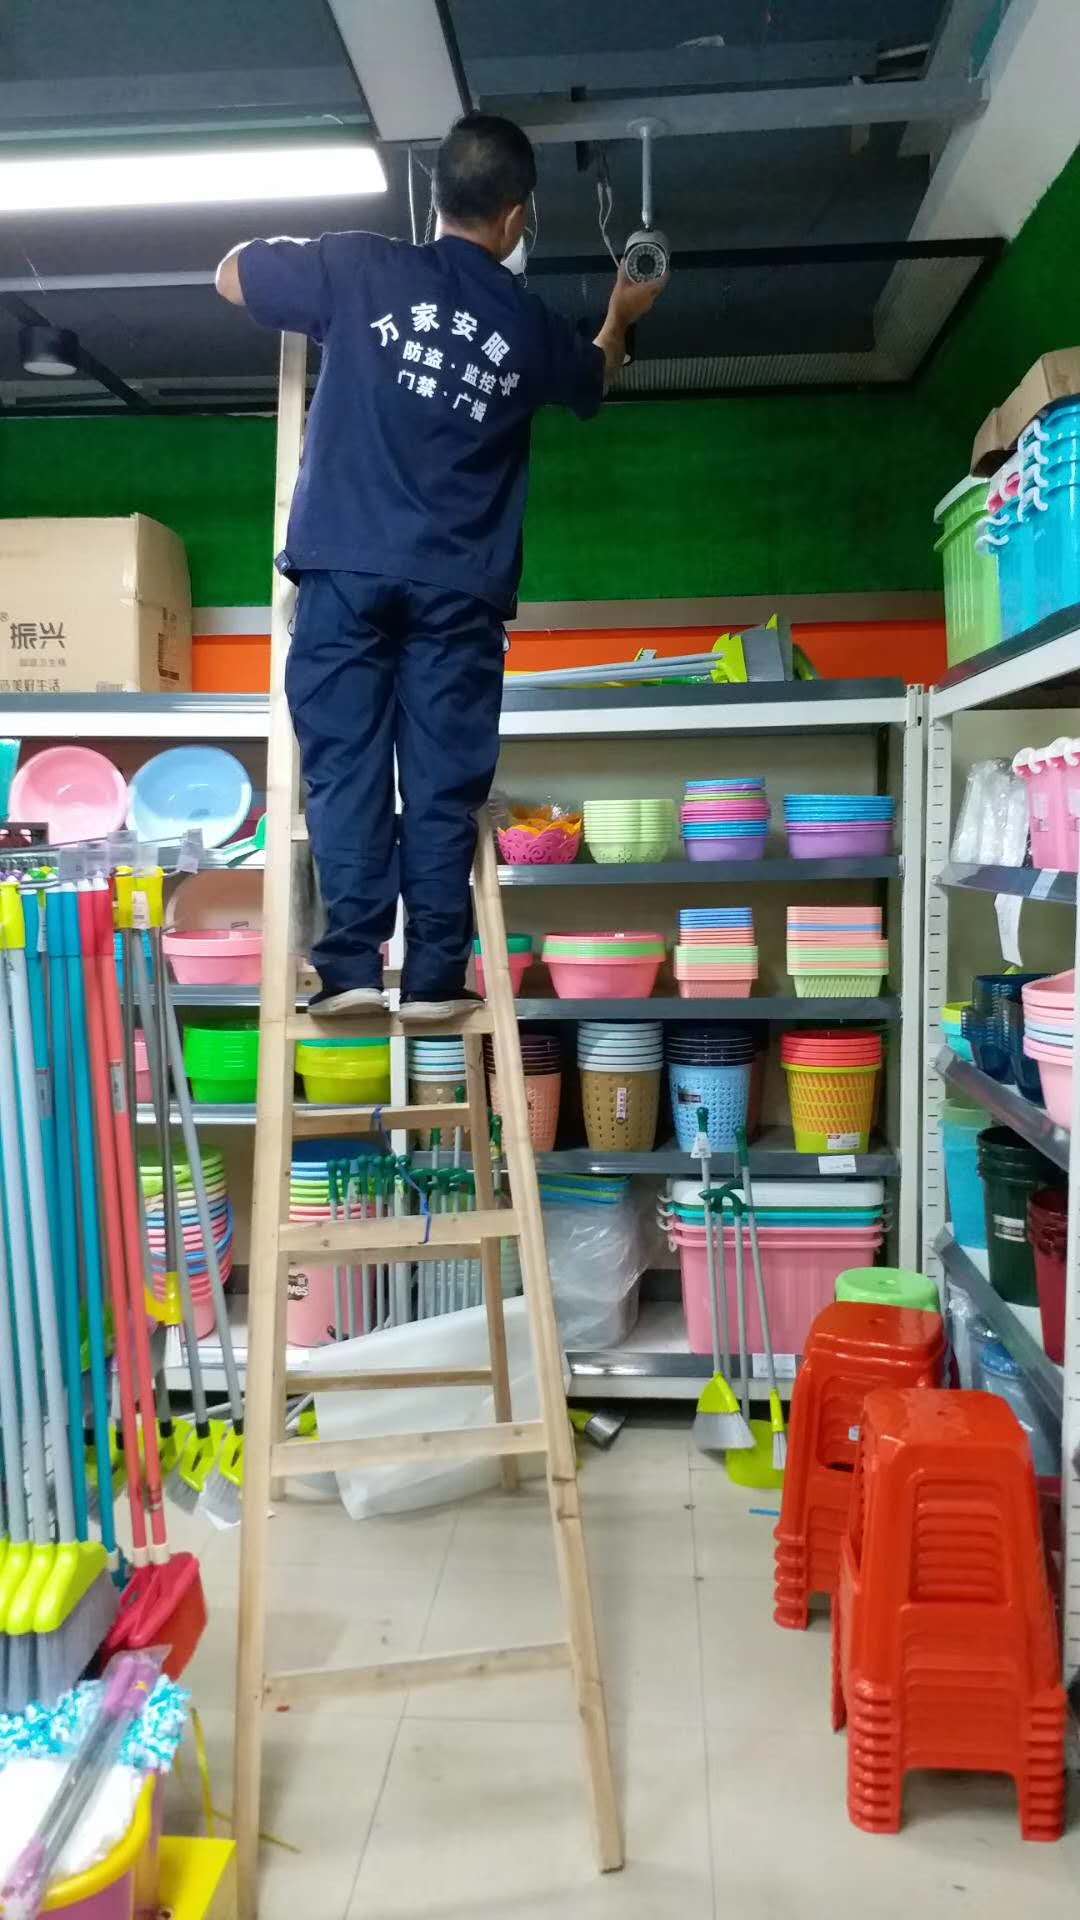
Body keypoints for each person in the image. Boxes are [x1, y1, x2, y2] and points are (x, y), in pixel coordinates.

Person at [217, 111, 665, 1020]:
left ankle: (349, 968)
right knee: (440, 786)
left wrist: (295, 259)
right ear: (517, 216)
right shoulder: (528, 325)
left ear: (435, 197)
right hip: (459, 589)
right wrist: (622, 313)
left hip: (344, 569)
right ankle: (430, 979)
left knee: (345, 768)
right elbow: (596, 374)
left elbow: (230, 274)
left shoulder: (357, 266)